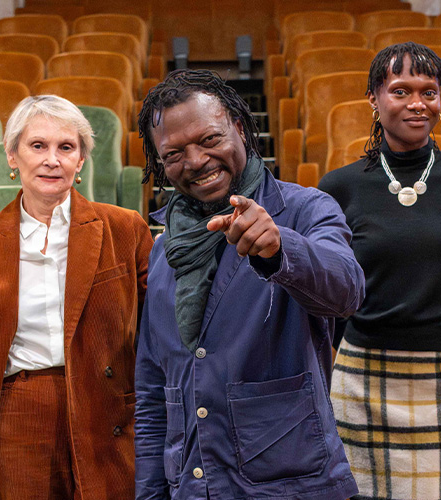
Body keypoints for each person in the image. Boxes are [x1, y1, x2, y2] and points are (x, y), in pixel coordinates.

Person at [133, 69, 364, 500]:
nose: (197, 161)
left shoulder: (304, 209)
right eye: (174, 153)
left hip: (291, 484)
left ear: (240, 128)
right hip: (192, 487)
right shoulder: (164, 251)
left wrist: (281, 250)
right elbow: (152, 393)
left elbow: (347, 291)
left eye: (209, 140)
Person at [0, 95, 152, 500]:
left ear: (81, 161)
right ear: (12, 156)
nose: (52, 159)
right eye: (37, 146)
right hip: (18, 419)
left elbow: (155, 339)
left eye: (66, 147)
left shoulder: (124, 228)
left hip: (105, 413)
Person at [318, 42, 441, 500]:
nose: (417, 103)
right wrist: (350, 351)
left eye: (429, 91)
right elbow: (328, 296)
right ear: (373, 99)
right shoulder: (340, 186)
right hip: (360, 377)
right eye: (400, 91)